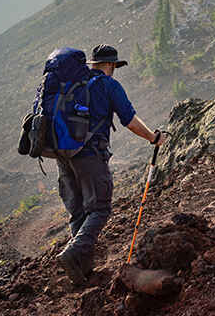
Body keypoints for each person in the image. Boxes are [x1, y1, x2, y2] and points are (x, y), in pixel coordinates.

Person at [56, 44, 166, 285]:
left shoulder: (70, 84)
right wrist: (153, 137)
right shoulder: (108, 85)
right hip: (90, 155)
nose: (114, 70)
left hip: (63, 156)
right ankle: (73, 253)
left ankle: (83, 273)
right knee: (99, 209)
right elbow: (129, 119)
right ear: (110, 65)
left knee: (80, 212)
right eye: (114, 66)